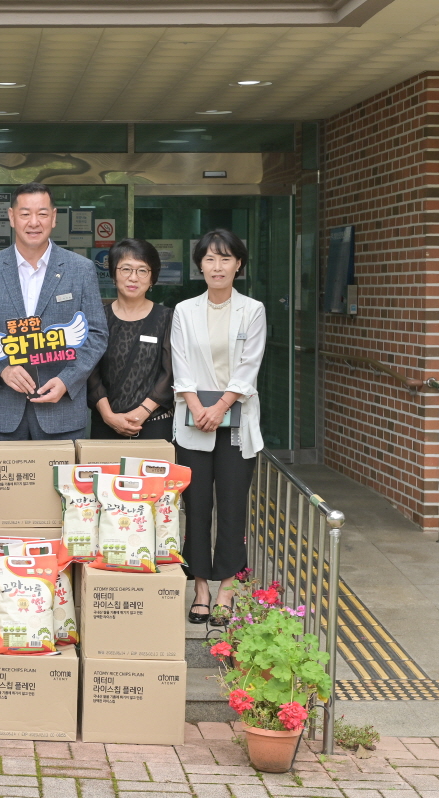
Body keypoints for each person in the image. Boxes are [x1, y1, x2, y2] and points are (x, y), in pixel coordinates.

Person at [0, 182, 108, 441]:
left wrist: (67, 380)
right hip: (2, 412)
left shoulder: (80, 269)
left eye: (42, 213)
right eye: (25, 213)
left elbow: (96, 334)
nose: (34, 222)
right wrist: (1, 370)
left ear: (54, 217)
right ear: (12, 217)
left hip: (61, 411)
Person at [170, 229, 267, 626]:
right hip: (194, 419)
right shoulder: (184, 310)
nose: (217, 266)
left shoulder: (253, 310)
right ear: (200, 265)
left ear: (238, 264)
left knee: (231, 506)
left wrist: (222, 406)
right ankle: (200, 588)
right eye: (210, 258)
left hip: (236, 422)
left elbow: (249, 365)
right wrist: (198, 407)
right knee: (195, 507)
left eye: (225, 258)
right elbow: (180, 364)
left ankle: (227, 587)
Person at [88, 238, 174, 441]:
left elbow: (170, 372)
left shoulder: (167, 318)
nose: (133, 278)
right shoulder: (98, 318)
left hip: (154, 423)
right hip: (105, 423)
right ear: (113, 274)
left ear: (152, 278)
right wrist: (108, 415)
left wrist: (142, 412)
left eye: (142, 270)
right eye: (126, 269)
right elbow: (90, 372)